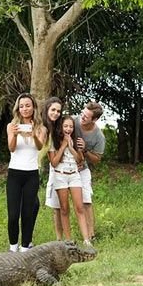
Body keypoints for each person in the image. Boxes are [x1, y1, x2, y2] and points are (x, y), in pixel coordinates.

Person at [6, 93, 47, 252]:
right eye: (21, 106)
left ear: (33, 107)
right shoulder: (11, 126)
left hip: (31, 174)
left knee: (28, 213)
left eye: (27, 105)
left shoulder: (41, 128)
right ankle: (13, 247)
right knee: (13, 214)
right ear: (18, 108)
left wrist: (34, 135)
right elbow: (11, 148)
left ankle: (25, 248)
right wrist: (15, 135)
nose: (24, 109)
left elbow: (39, 147)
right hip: (15, 173)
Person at [49, 115, 92, 246]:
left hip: (74, 175)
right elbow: (54, 163)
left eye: (71, 126)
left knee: (79, 207)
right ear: (61, 127)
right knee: (64, 209)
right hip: (60, 175)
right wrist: (63, 146)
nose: (68, 129)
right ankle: (68, 240)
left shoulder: (76, 140)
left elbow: (80, 160)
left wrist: (71, 147)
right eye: (66, 126)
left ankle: (86, 240)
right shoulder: (54, 141)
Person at [74, 102, 106, 241]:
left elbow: (97, 159)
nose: (82, 117)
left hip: (83, 168)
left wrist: (85, 150)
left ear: (94, 119)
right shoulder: (72, 122)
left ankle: (91, 235)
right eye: (82, 113)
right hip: (65, 166)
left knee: (86, 200)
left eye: (86, 117)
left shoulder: (99, 136)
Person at [41, 96, 65, 240]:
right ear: (47, 109)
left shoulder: (56, 128)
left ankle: (59, 239)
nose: (55, 113)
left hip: (52, 167)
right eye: (53, 110)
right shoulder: (41, 126)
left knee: (59, 206)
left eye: (58, 111)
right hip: (30, 165)